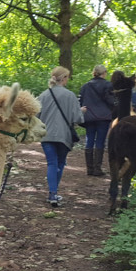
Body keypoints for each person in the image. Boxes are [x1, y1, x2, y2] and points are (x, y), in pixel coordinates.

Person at [37, 67, 83, 207]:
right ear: (63, 78)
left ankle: (52, 193)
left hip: (46, 136)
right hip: (64, 136)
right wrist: (81, 111)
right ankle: (54, 193)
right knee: (60, 163)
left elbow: (35, 116)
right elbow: (78, 118)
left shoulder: (43, 95)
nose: (68, 80)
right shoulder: (70, 96)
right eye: (67, 77)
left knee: (51, 163)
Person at [79, 64, 114, 177]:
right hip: (103, 118)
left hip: (89, 116)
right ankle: (97, 168)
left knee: (89, 140)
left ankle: (89, 169)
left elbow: (81, 101)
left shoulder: (85, 86)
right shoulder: (108, 85)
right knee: (100, 141)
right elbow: (110, 100)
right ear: (104, 73)